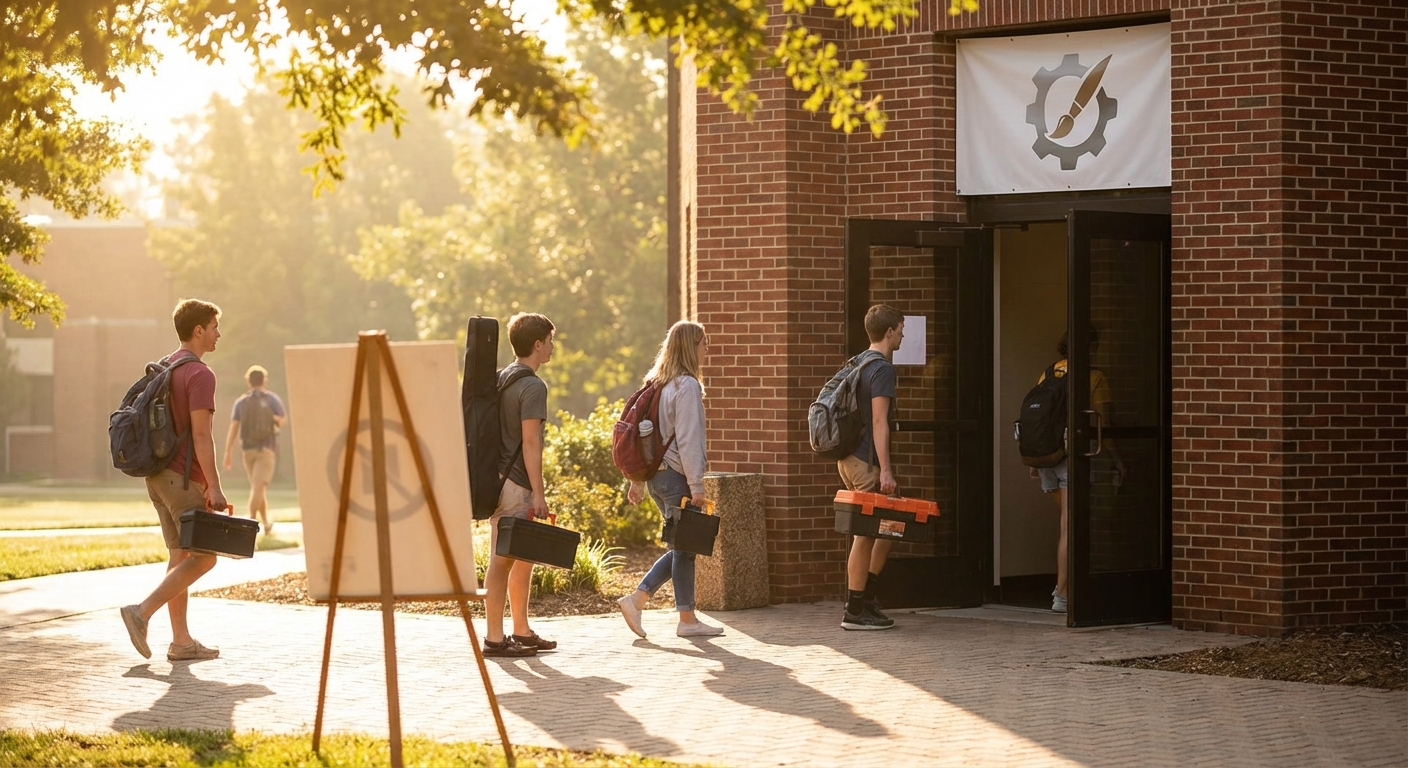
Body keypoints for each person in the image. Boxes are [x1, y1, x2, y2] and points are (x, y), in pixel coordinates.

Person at [120, 298, 231, 662]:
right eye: (214, 326)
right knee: (204, 558)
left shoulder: (166, 366)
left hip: (156, 475)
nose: (218, 334)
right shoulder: (200, 374)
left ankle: (181, 642)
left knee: (179, 557)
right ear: (198, 330)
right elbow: (202, 436)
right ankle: (141, 612)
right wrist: (213, 486)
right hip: (183, 480)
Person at [617, 320, 723, 639]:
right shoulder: (686, 386)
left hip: (658, 480)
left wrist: (637, 480)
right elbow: (689, 440)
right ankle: (685, 619)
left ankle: (639, 601)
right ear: (691, 346)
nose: (707, 349)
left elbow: (646, 437)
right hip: (677, 478)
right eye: (704, 343)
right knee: (684, 547)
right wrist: (697, 487)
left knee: (682, 546)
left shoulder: (658, 384)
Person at [1028, 330, 1122, 613]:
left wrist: (1035, 460)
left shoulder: (1048, 373)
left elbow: (1039, 421)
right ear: (1090, 347)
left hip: (1046, 456)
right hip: (1071, 455)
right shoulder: (1094, 377)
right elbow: (1101, 422)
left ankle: (1068, 587)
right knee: (1070, 526)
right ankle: (1063, 594)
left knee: (1068, 522)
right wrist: (1116, 457)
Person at [482, 313, 558, 657]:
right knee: (501, 561)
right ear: (538, 345)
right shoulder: (532, 386)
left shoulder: (501, 379)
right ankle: (495, 639)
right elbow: (531, 442)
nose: (553, 347)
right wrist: (538, 494)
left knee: (521, 556)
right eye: (550, 341)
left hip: (497, 480)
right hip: (515, 485)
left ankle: (521, 630)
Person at [839, 305, 905, 631]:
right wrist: (886, 470)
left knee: (890, 524)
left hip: (849, 458)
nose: (903, 334)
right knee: (866, 534)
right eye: (901, 329)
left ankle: (867, 597)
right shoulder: (882, 369)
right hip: (866, 462)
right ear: (889, 332)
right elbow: (880, 422)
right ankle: (855, 609)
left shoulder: (858, 362)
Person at [222, 365, 286, 533]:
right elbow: (281, 421)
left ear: (248, 382)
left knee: (258, 487)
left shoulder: (241, 402)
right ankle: (249, 523)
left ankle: (266, 523)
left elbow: (234, 428)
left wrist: (228, 452)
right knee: (258, 487)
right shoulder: (272, 399)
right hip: (266, 449)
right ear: (264, 381)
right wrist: (272, 418)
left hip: (247, 451)